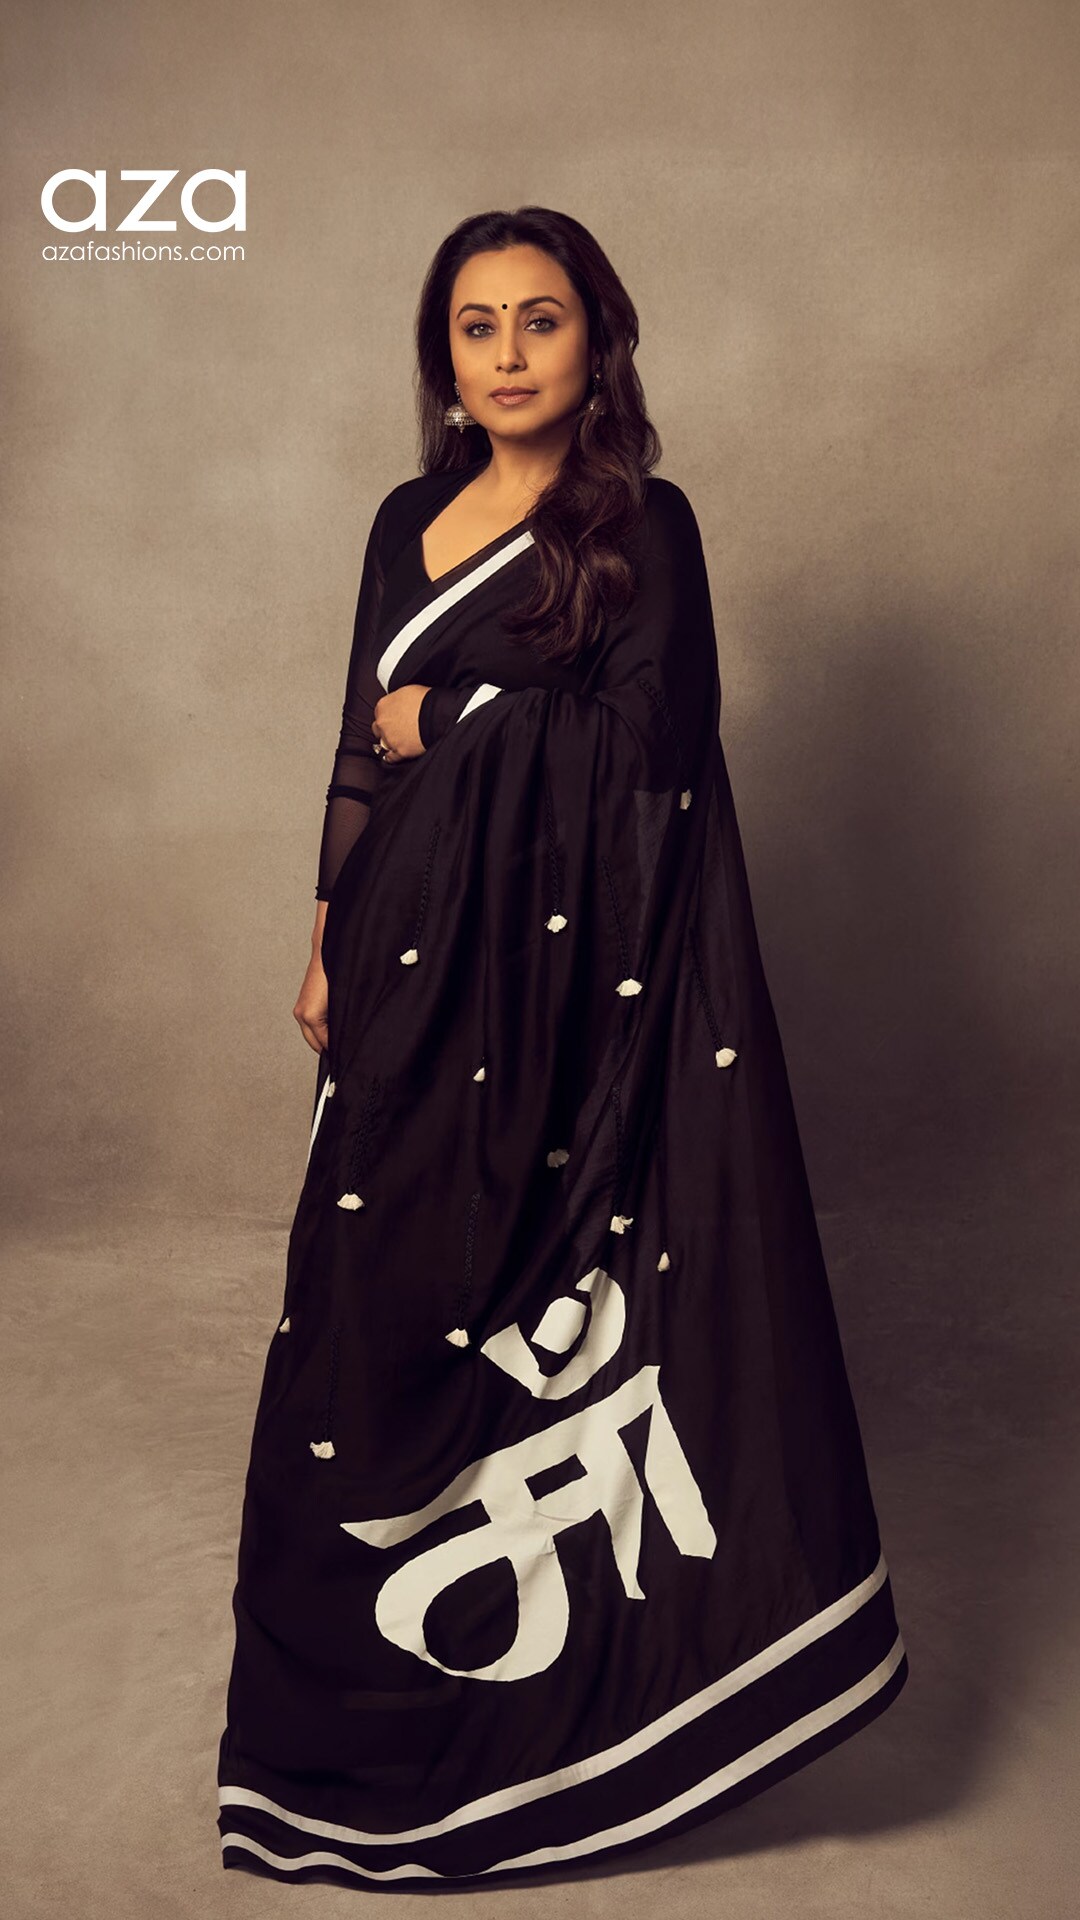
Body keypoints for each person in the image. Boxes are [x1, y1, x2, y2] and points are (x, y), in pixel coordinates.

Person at [217, 206, 908, 1889]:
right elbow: (356, 751)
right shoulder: (407, 520)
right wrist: (324, 932)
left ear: (597, 341)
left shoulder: (640, 526)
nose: (510, 352)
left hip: (573, 991)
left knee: (540, 1285)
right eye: (478, 325)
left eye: (542, 319)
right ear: (442, 357)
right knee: (371, 1294)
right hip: (409, 963)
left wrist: (460, 716)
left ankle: (587, 1708)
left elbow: (652, 753)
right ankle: (358, 1713)